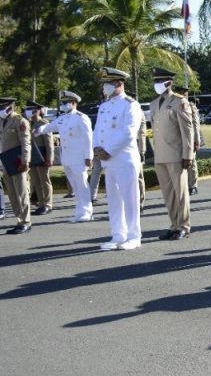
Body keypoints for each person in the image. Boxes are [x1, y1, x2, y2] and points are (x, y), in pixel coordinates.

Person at [93, 67, 145, 250]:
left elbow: (129, 132)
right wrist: (96, 148)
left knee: (130, 200)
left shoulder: (130, 104)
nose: (105, 86)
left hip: (124, 159)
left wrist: (108, 150)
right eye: (104, 83)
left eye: (108, 83)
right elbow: (97, 130)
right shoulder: (104, 106)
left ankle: (133, 236)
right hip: (108, 161)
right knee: (114, 200)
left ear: (119, 83)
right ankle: (118, 235)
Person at [32, 90, 93, 222]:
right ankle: (80, 211)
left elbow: (88, 138)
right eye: (63, 102)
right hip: (67, 159)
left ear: (73, 103)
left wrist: (89, 157)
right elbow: (49, 127)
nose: (63, 105)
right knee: (75, 186)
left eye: (66, 102)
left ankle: (87, 212)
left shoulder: (81, 117)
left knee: (82, 185)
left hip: (79, 158)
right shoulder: (62, 118)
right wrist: (36, 131)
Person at [149, 68, 195, 240]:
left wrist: (188, 155)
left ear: (169, 82)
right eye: (155, 81)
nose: (157, 84)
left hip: (176, 154)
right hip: (160, 154)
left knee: (180, 192)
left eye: (160, 81)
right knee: (168, 194)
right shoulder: (154, 104)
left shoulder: (179, 101)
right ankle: (174, 224)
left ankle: (183, 226)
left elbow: (187, 130)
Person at [0, 97, 32, 234]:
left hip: (17, 162)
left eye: (2, 106)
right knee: (12, 195)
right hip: (5, 162)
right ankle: (19, 220)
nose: (0, 109)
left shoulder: (20, 120)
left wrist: (25, 161)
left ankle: (26, 222)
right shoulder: (1, 121)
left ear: (10, 106)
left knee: (21, 193)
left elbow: (26, 143)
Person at [26, 101, 54, 215]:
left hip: (42, 155)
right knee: (36, 181)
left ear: (37, 110)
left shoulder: (43, 123)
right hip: (32, 155)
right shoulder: (28, 123)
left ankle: (48, 205)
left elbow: (49, 142)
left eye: (31, 109)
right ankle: (41, 204)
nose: (28, 111)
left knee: (44, 181)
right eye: (27, 109)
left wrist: (50, 158)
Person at [179, 88, 202, 195]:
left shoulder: (191, 107)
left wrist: (197, 141)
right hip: (178, 140)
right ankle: (184, 185)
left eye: (183, 94)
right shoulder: (174, 106)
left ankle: (193, 185)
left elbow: (196, 125)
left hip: (190, 139)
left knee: (191, 163)